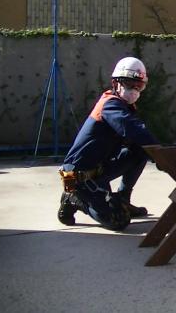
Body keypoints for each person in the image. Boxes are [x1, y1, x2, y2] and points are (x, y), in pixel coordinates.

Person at [57, 57, 158, 231]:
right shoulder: (111, 105)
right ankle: (73, 197)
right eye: (129, 83)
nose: (134, 89)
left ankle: (123, 200)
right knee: (119, 221)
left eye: (138, 85)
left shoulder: (124, 107)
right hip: (77, 176)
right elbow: (134, 130)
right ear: (115, 83)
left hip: (98, 169)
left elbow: (137, 139)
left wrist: (155, 152)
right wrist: (161, 154)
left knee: (139, 152)